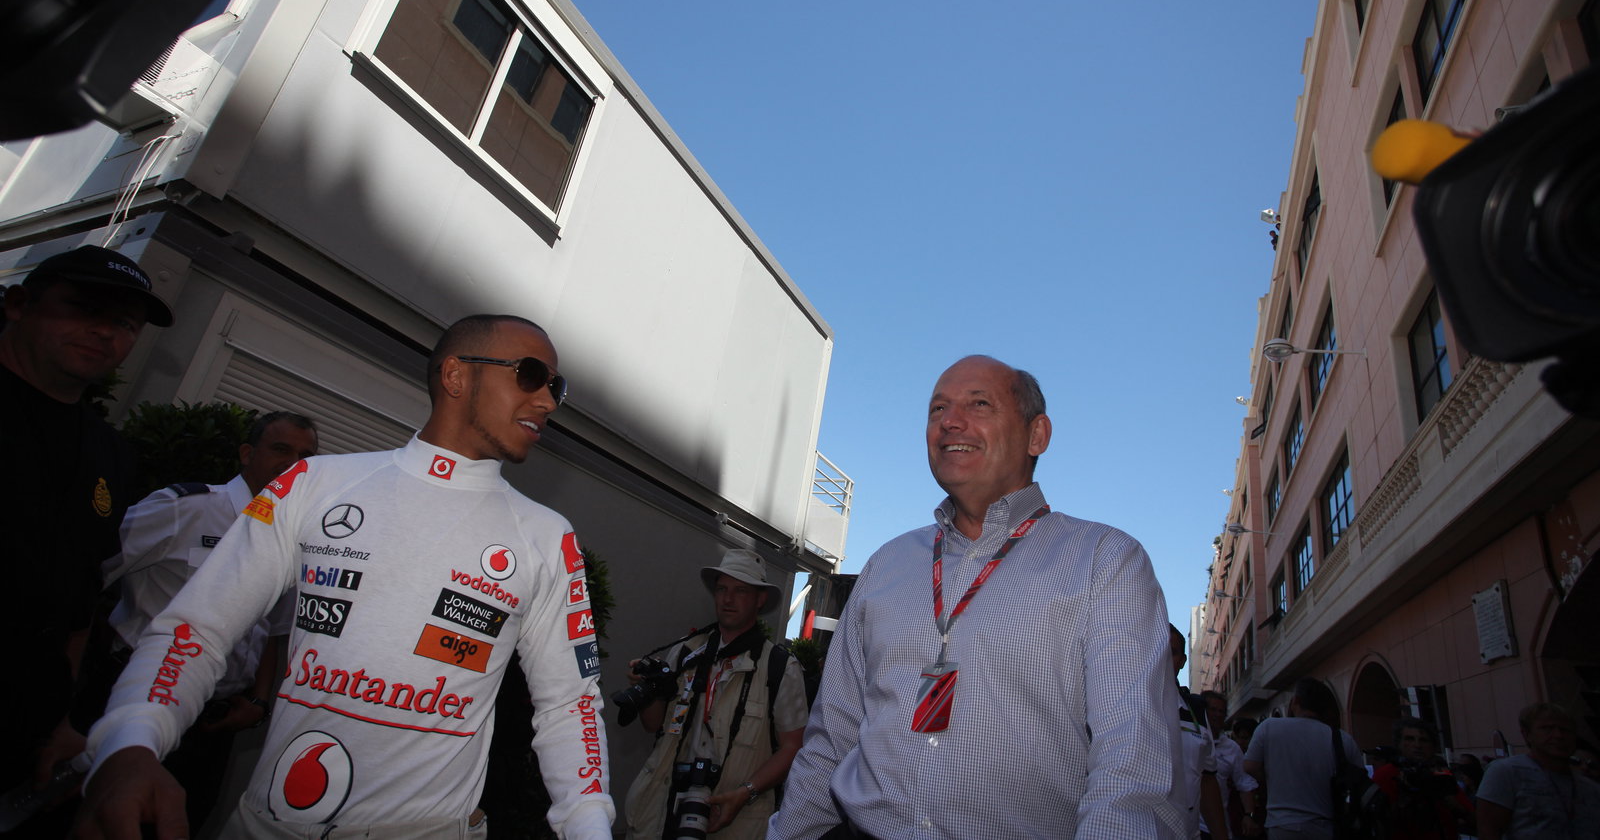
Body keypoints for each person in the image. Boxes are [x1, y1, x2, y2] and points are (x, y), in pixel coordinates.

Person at [73, 314, 615, 839]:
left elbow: (570, 705)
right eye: (530, 375)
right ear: (455, 374)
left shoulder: (547, 537)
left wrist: (590, 829)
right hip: (265, 823)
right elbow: (196, 631)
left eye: (555, 386)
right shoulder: (313, 483)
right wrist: (129, 741)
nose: (546, 400)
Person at [770, 355, 1184, 840]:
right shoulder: (888, 564)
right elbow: (831, 738)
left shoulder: (1105, 562)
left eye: (979, 404)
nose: (948, 422)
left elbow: (1131, 769)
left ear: (1037, 435)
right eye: (937, 408)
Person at [0, 245, 173, 836]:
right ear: (19, 305)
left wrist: (59, 721)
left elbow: (80, 596)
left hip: (22, 736)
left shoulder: (110, 453)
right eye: (82, 308)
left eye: (125, 323)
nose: (104, 331)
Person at [98, 410, 320, 829]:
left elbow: (275, 630)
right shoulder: (187, 509)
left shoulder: (294, 539)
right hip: (136, 703)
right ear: (246, 453)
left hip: (215, 724)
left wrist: (257, 701)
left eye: (305, 456)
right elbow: (92, 567)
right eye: (280, 449)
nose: (293, 463)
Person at [622, 549, 809, 840]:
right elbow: (654, 725)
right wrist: (646, 692)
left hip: (736, 822)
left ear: (760, 599)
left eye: (740, 590)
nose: (728, 599)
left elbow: (793, 747)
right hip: (662, 812)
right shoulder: (686, 653)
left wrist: (744, 793)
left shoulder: (780, 667)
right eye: (721, 589)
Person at [1242, 678, 1362, 840]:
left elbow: (1250, 766)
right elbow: (1359, 780)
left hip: (1282, 825)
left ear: (1296, 701)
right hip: (1326, 826)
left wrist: (1274, 778)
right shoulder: (1342, 739)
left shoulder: (1269, 727)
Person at [1476, 702, 1600, 839]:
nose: (1558, 735)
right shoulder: (1506, 772)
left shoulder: (1591, 787)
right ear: (1527, 734)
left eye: (1565, 730)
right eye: (1547, 728)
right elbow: (1488, 831)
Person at [1170, 627, 1230, 840]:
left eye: (1172, 652)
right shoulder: (1120, 706)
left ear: (1183, 661)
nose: (1164, 659)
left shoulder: (1196, 709)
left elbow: (1207, 780)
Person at [1370, 717, 1473, 840]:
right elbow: (1378, 822)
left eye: (1423, 740)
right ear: (1399, 744)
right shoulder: (1386, 775)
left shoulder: (1440, 773)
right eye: (1410, 739)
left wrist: (1449, 800)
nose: (1417, 745)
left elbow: (1471, 816)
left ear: (1433, 746)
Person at [1199, 691, 1259, 839]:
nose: (1217, 714)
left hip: (1214, 828)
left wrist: (1249, 815)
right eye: (1212, 709)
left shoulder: (1232, 748)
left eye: (1221, 711)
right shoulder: (1188, 740)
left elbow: (1243, 783)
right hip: (1185, 824)